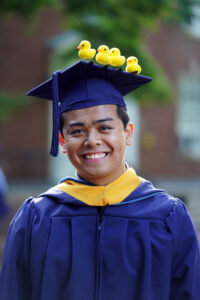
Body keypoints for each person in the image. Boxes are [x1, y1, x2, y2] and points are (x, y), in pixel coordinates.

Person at [0, 60, 199, 300]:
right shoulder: (35, 219)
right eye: (77, 131)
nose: (91, 140)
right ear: (62, 142)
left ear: (127, 134)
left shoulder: (168, 217)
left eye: (104, 128)